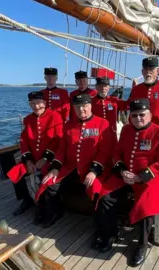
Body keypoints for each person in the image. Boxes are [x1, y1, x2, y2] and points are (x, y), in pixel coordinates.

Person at [95, 99, 159, 267]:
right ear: (129, 117)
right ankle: (110, 233)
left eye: (142, 115)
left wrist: (140, 177)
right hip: (125, 175)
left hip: (149, 178)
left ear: (150, 115)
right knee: (105, 197)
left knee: (146, 206)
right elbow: (117, 153)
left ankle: (142, 244)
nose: (138, 118)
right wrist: (122, 170)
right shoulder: (126, 130)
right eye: (134, 115)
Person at [39, 94, 114, 227]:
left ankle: (101, 225)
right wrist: (55, 167)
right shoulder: (69, 125)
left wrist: (94, 171)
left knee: (96, 191)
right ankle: (55, 212)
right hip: (71, 167)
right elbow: (62, 149)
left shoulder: (103, 124)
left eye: (85, 106)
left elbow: (105, 150)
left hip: (93, 168)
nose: (81, 110)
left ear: (91, 106)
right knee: (50, 183)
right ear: (73, 108)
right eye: (78, 107)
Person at [7, 91, 63, 220]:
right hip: (32, 158)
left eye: (38, 103)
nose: (36, 107)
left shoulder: (55, 116)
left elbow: (58, 140)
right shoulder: (28, 119)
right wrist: (28, 161)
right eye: (33, 104)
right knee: (16, 172)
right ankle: (27, 200)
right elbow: (24, 141)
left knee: (45, 177)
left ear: (44, 103)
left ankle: (46, 206)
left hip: (50, 158)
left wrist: (44, 159)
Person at [128, 57, 159, 129]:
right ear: (142, 72)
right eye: (146, 69)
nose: (148, 72)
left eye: (151, 69)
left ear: (157, 71)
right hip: (141, 131)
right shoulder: (136, 89)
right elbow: (132, 111)